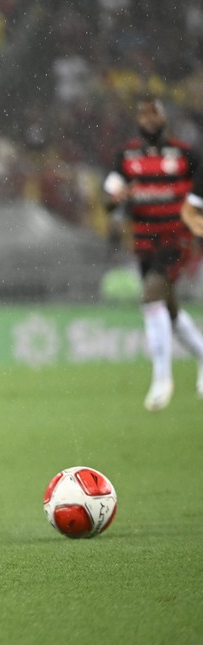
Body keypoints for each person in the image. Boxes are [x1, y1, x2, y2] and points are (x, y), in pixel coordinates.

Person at [104, 96, 203, 411]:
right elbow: (109, 199)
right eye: (143, 116)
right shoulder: (127, 157)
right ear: (138, 121)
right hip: (144, 242)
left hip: (176, 240)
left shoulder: (184, 155)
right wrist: (117, 198)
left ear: (163, 119)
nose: (148, 121)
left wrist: (195, 213)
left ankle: (162, 378)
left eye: (153, 115)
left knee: (151, 297)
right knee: (168, 312)